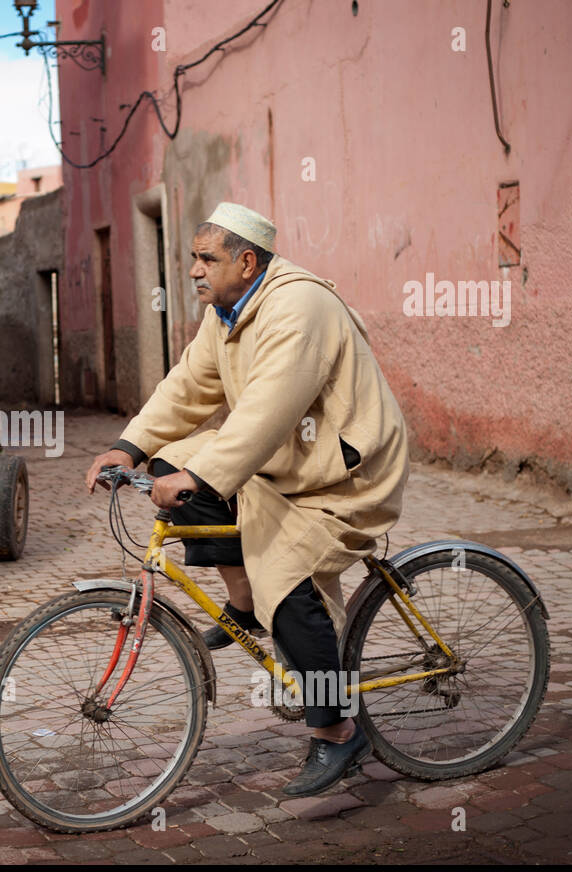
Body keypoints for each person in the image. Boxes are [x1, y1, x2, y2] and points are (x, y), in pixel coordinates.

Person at [84, 202, 410, 797]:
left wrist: (200, 476)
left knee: (285, 578)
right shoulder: (227, 310)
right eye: (192, 259)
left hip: (343, 473)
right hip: (289, 463)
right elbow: (188, 385)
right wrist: (128, 448)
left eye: (207, 258)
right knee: (174, 462)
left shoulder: (299, 306)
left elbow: (266, 413)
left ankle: (338, 731)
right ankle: (245, 601)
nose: (194, 271)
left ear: (247, 260)